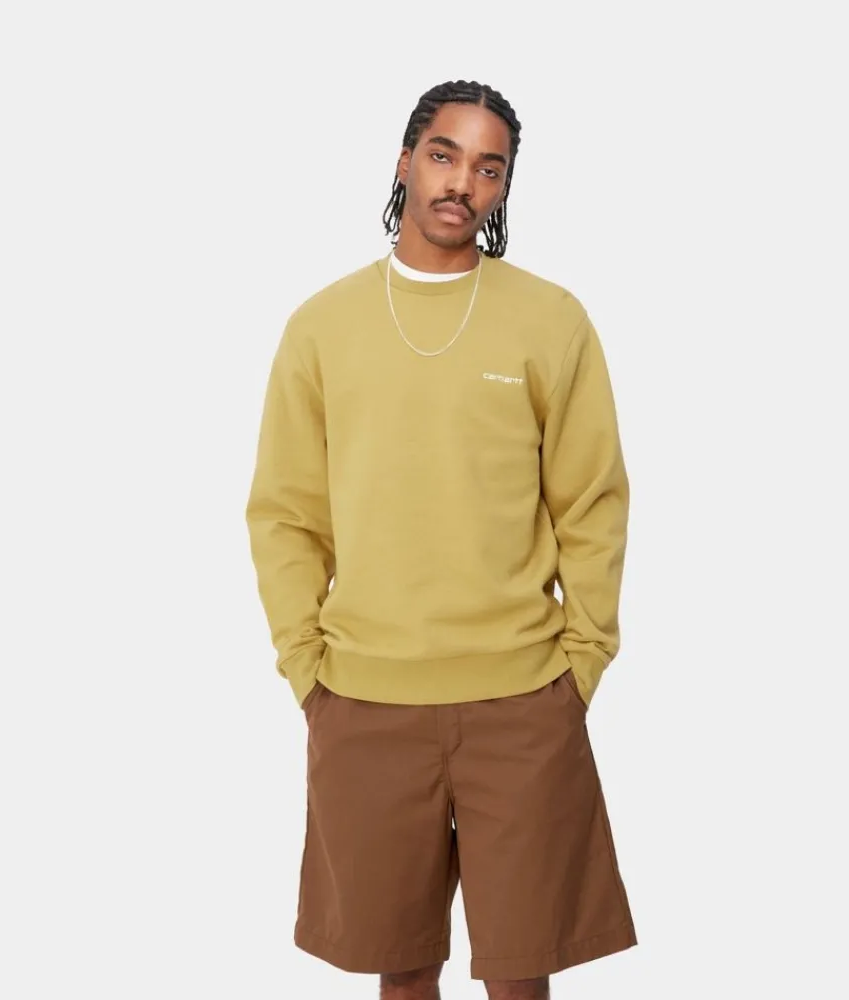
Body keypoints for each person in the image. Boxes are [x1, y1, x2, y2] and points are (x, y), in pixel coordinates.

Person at [244, 79, 637, 999]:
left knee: (521, 974)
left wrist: (581, 663)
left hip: (523, 701)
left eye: (489, 167)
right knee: (403, 969)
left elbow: (593, 502)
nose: (463, 181)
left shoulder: (551, 320)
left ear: (504, 187)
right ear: (405, 161)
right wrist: (306, 667)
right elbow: (287, 513)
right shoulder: (322, 326)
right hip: (365, 700)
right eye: (444, 155)